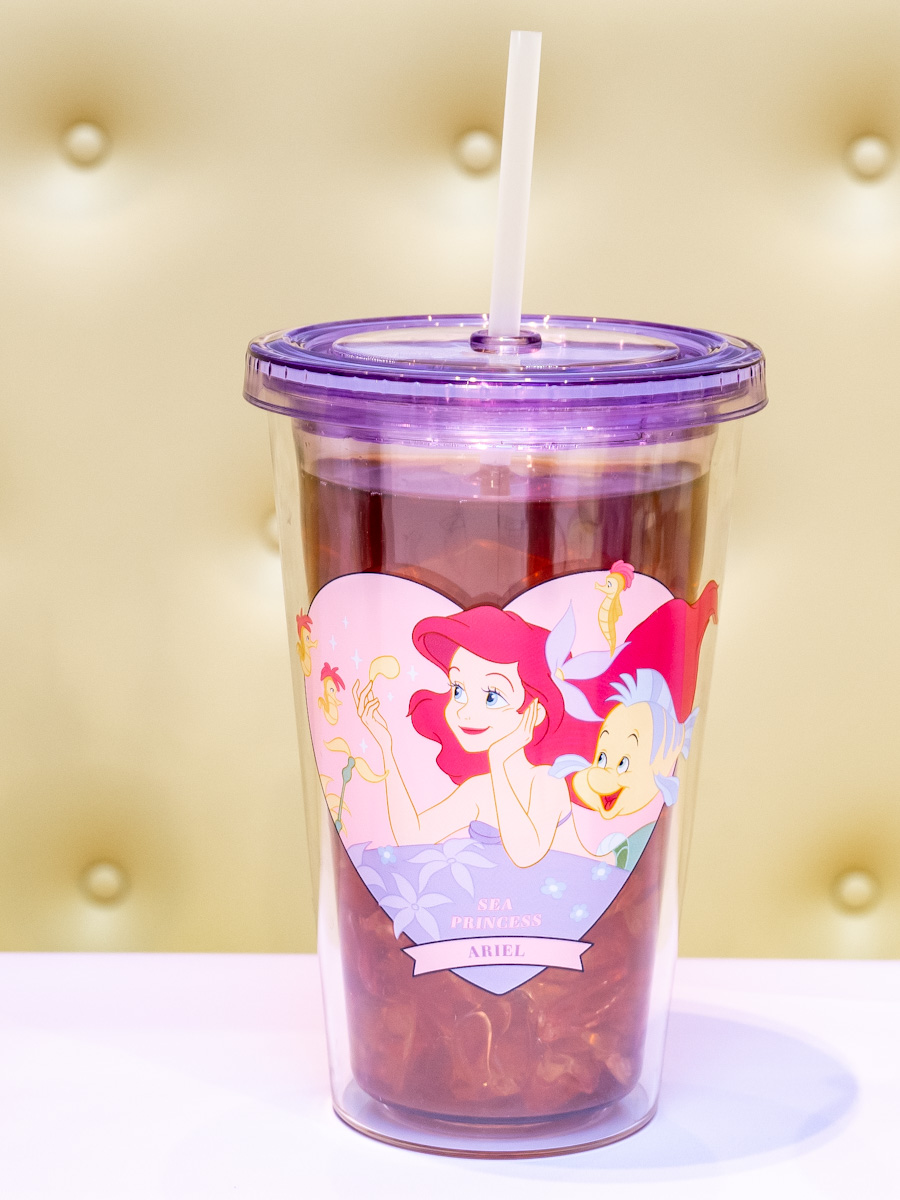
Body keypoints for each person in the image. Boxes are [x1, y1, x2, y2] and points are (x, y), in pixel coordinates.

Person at [352, 606, 600, 867]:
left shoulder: (547, 781)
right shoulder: (479, 789)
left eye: (492, 696)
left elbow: (525, 855)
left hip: (576, 886)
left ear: (536, 711)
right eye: (458, 690)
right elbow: (411, 836)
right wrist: (385, 747)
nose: (464, 711)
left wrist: (498, 760)